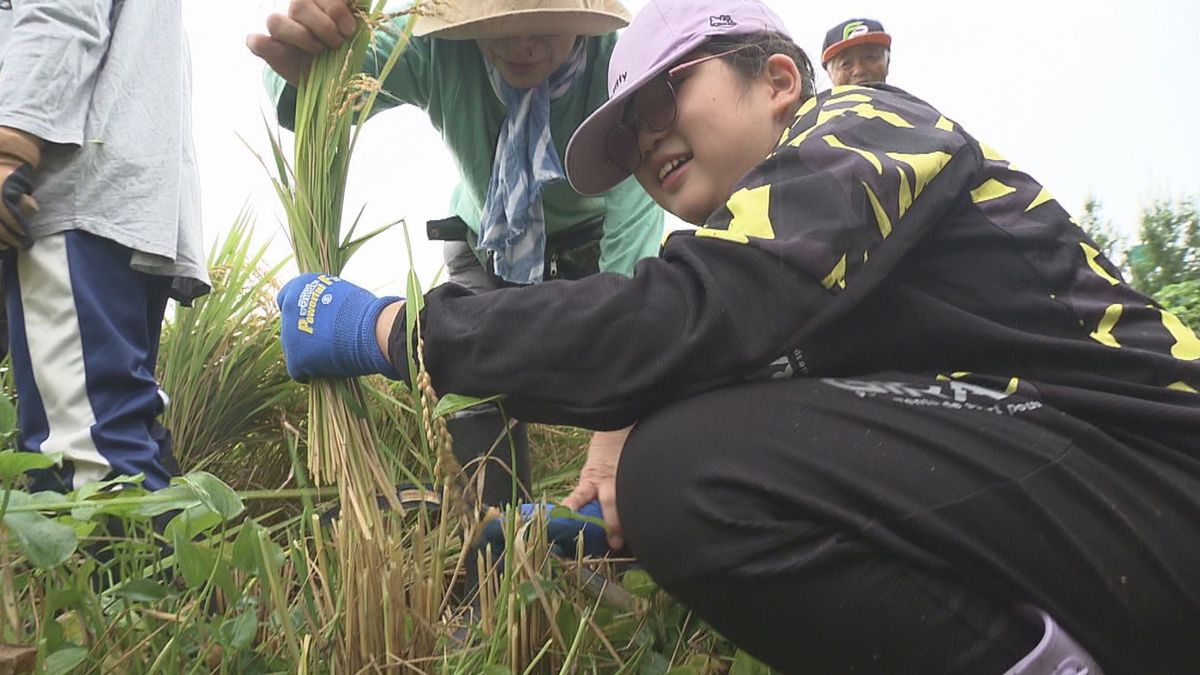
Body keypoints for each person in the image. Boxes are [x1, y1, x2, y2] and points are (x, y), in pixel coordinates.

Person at [275, 0, 1200, 671]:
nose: (647, 139)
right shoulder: (802, 265)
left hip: (1157, 471)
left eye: (666, 96)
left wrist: (402, 331)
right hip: (1093, 503)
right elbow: (746, 367)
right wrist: (608, 504)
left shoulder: (864, 128)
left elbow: (684, 312)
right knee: (683, 461)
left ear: (781, 80)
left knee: (682, 466)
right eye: (628, 130)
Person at [248, 0, 663, 505]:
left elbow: (631, 284)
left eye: (543, 26)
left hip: (587, 257)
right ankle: (493, 544)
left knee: (635, 405)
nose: (522, 46)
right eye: (500, 27)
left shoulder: (619, 81)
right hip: (482, 247)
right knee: (472, 399)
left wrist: (615, 434)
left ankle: (608, 533)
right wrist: (308, 52)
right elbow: (311, 89)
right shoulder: (439, 49)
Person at [0, 1, 209, 494]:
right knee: (116, 431)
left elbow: (60, 9)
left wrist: (10, 147)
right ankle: (158, 565)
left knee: (87, 461)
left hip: (60, 195)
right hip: (109, 198)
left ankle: (111, 568)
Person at [822, 17, 891, 86]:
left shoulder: (900, 96)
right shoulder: (818, 97)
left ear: (887, 63)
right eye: (846, 63)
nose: (859, 70)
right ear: (830, 74)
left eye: (869, 57)